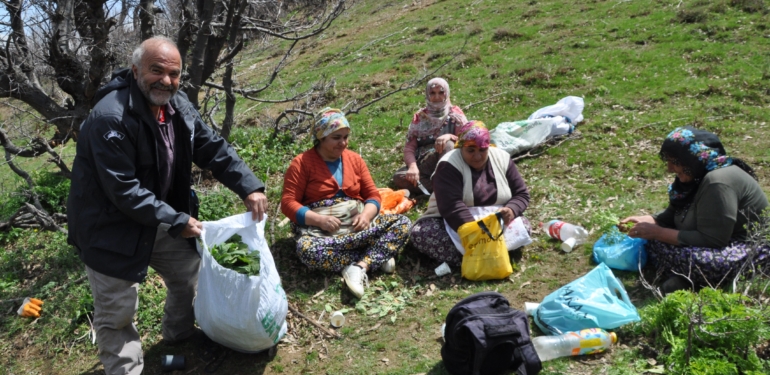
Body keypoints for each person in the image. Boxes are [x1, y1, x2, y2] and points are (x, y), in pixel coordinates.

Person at [66, 36, 268, 375]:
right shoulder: (111, 118)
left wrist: (249, 186)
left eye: (173, 73)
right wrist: (177, 219)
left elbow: (212, 148)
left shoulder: (178, 106)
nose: (166, 80)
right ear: (135, 70)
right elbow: (124, 190)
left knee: (187, 275)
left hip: (158, 218)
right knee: (117, 314)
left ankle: (180, 335)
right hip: (109, 229)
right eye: (156, 70)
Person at [281, 108, 411, 298]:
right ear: (321, 137)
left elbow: (373, 195)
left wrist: (366, 216)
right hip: (323, 232)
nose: (343, 143)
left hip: (357, 227)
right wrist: (318, 220)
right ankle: (373, 255)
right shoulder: (301, 164)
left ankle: (360, 266)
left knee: (403, 224)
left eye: (346, 137)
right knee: (306, 250)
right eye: (336, 137)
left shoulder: (354, 160)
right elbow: (288, 202)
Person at [621, 126, 769, 294]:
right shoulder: (696, 177)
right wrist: (643, 221)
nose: (670, 168)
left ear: (693, 159)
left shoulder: (717, 182)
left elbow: (714, 239)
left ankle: (691, 280)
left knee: (694, 260)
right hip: (713, 240)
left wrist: (657, 233)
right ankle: (686, 278)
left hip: (749, 249)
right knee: (652, 241)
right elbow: (670, 216)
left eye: (675, 162)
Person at [409, 121, 530, 266]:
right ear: (461, 147)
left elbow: (521, 193)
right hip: (459, 223)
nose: (477, 156)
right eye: (471, 150)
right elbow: (451, 206)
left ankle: (484, 256)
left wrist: (511, 210)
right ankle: (487, 257)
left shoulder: (502, 158)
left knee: (524, 225)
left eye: (482, 150)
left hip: (496, 221)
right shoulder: (448, 165)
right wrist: (476, 232)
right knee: (422, 233)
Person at [392, 77, 468, 196]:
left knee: (447, 145)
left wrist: (449, 136)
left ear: (447, 93)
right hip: (425, 163)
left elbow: (467, 142)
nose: (437, 97)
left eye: (441, 92)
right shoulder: (420, 117)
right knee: (399, 177)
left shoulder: (455, 115)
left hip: (449, 162)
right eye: (432, 93)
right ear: (427, 94)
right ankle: (443, 187)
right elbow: (409, 148)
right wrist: (412, 167)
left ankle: (446, 183)